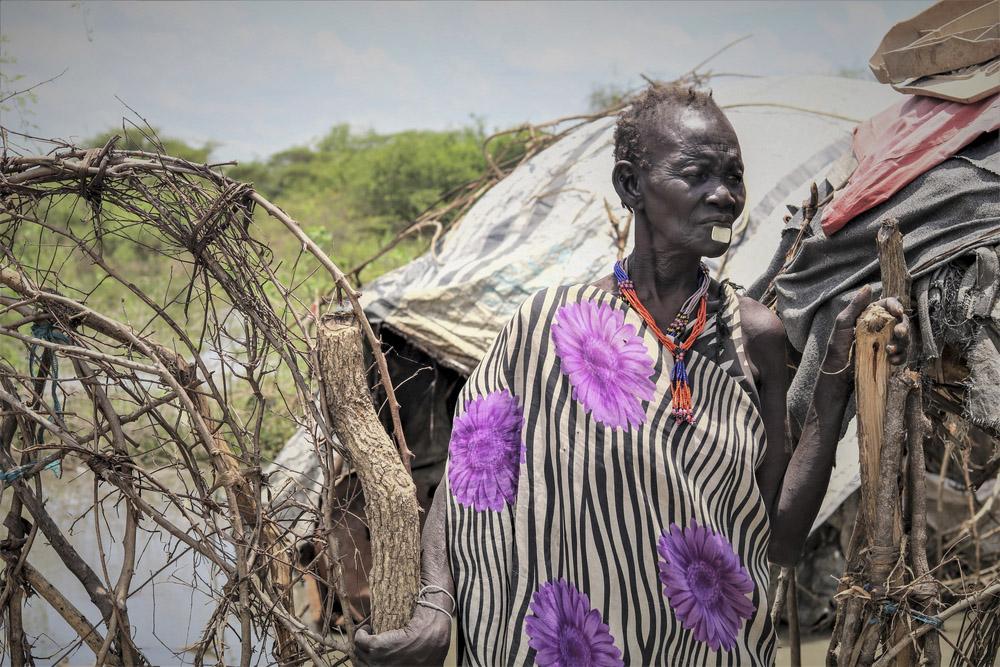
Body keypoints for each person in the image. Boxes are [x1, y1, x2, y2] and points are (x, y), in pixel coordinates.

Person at [355, 83, 910, 666]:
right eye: (696, 174)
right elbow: (465, 486)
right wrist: (436, 608)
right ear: (630, 186)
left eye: (734, 177)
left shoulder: (757, 338)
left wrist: (836, 377)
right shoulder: (548, 325)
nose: (723, 195)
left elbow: (782, 538)